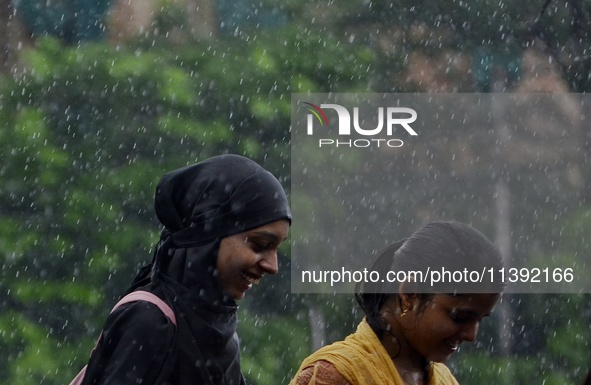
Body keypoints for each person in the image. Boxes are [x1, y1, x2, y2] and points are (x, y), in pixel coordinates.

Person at [79, 154, 291, 385]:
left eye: (277, 249)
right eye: (260, 245)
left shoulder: (219, 335)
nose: (273, 266)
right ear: (208, 236)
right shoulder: (150, 321)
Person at [290, 221, 505, 385]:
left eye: (480, 320)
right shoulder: (335, 375)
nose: (471, 335)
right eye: (460, 317)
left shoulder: (444, 380)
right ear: (409, 294)